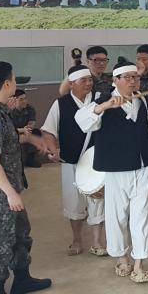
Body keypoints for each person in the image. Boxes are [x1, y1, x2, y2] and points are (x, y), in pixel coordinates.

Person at [75, 61, 148, 283]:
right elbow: (82, 120)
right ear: (115, 80)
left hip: (142, 166)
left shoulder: (143, 99)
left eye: (135, 77)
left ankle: (139, 263)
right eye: (127, 77)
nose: (133, 81)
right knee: (116, 215)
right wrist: (103, 107)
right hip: (116, 170)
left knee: (143, 215)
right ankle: (121, 257)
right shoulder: (103, 99)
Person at [0, 61, 52, 294]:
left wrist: (31, 139)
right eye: (15, 79)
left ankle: (22, 279)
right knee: (0, 240)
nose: (16, 84)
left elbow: (7, 141)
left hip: (8, 189)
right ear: (7, 83)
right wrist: (9, 193)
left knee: (20, 233)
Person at [39, 67, 106, 257]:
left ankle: (97, 241)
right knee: (73, 202)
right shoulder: (61, 104)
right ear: (71, 84)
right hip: (71, 160)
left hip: (96, 161)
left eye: (90, 79)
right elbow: (48, 130)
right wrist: (52, 148)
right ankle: (77, 239)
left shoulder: (100, 99)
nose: (88, 83)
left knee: (98, 200)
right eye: (83, 80)